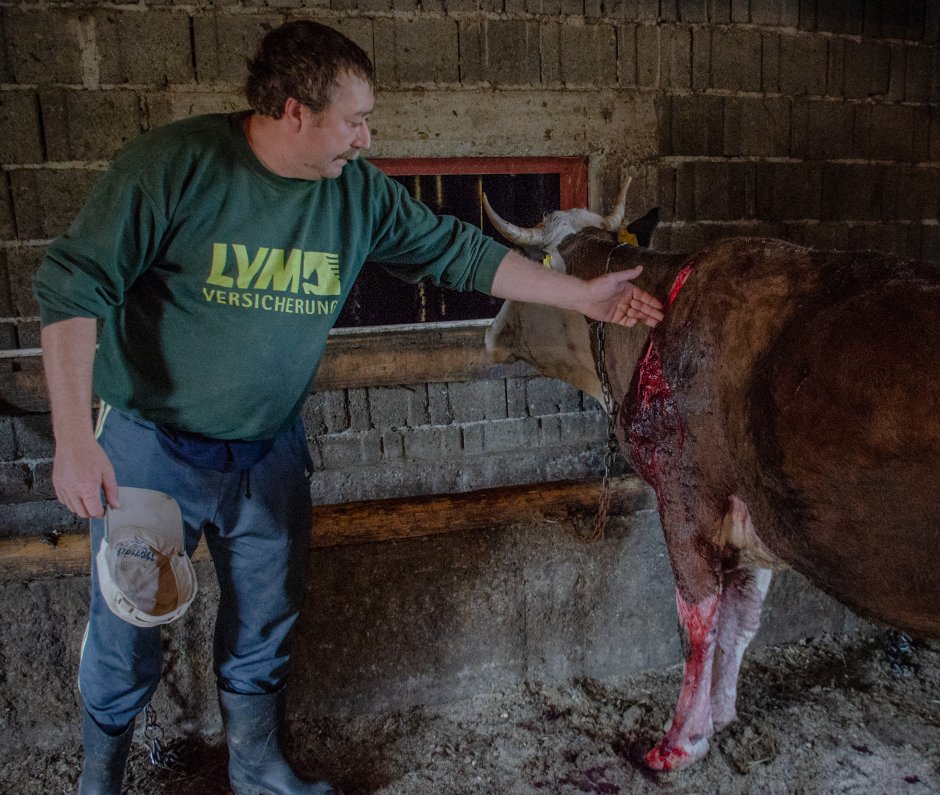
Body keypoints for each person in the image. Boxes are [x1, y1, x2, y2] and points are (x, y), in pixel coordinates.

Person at [33, 20, 663, 795]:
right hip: (149, 446)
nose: (366, 139)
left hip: (267, 448)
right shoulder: (173, 168)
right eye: (355, 119)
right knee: (131, 624)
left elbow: (457, 252)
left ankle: (259, 769)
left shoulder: (356, 195)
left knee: (266, 620)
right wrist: (72, 439)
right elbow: (72, 289)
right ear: (294, 111)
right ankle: (101, 781)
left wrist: (583, 295)